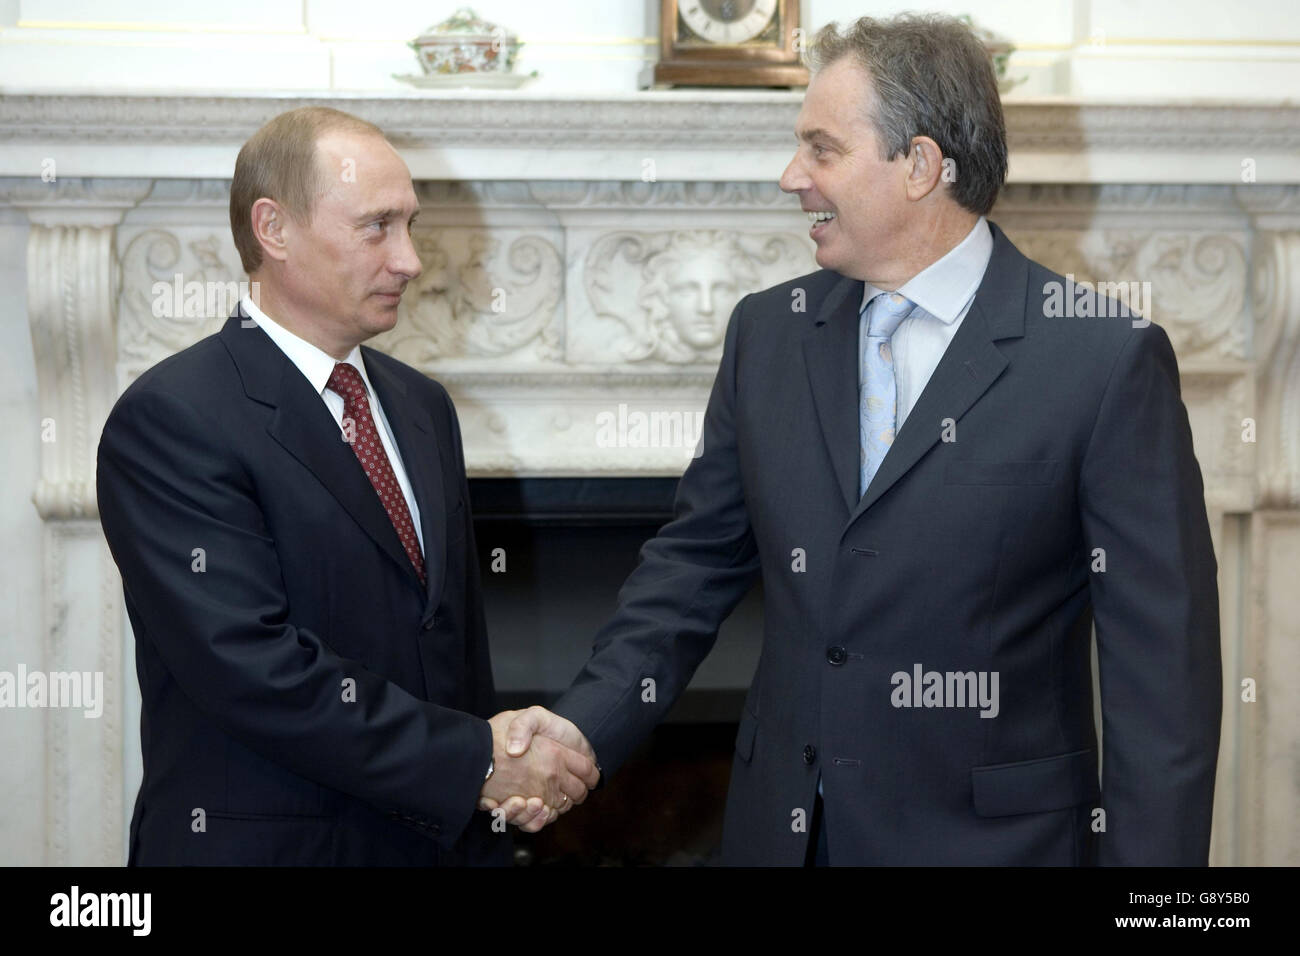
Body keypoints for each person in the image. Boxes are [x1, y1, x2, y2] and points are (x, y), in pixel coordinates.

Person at [496, 13, 1222, 865]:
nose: (790, 177)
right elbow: (693, 566)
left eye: (822, 149)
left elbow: (1163, 687)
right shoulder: (769, 333)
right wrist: (583, 728)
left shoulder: (1102, 360)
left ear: (919, 165)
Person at [96, 106, 598, 866]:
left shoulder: (422, 406)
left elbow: (455, 654)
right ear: (274, 229)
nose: (410, 261)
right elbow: (255, 672)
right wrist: (479, 759)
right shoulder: (173, 417)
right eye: (377, 227)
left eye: (410, 226)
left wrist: (496, 781)